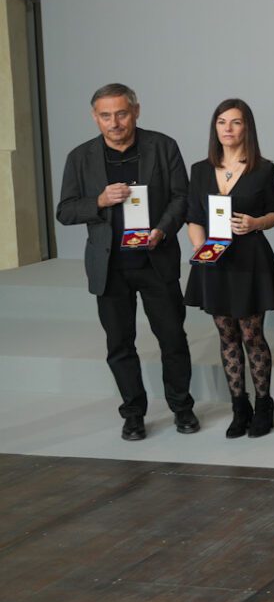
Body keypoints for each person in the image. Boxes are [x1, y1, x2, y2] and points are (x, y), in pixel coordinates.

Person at [56, 82, 196, 439]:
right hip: (110, 267)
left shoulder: (162, 146)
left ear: (136, 111)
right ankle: (133, 413)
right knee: (119, 345)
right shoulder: (80, 157)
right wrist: (99, 201)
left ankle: (182, 408)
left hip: (155, 259)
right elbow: (65, 210)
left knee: (173, 340)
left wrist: (163, 230)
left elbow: (182, 198)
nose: (114, 122)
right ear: (95, 117)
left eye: (121, 113)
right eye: (105, 116)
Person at [183, 99, 274, 438]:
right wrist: (202, 251)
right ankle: (238, 407)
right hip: (214, 264)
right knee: (226, 334)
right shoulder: (200, 170)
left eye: (236, 122)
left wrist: (257, 222)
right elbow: (193, 218)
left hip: (250, 260)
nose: (228, 128)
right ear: (215, 128)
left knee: (251, 335)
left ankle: (263, 405)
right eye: (221, 122)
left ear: (248, 128)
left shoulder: (263, 168)